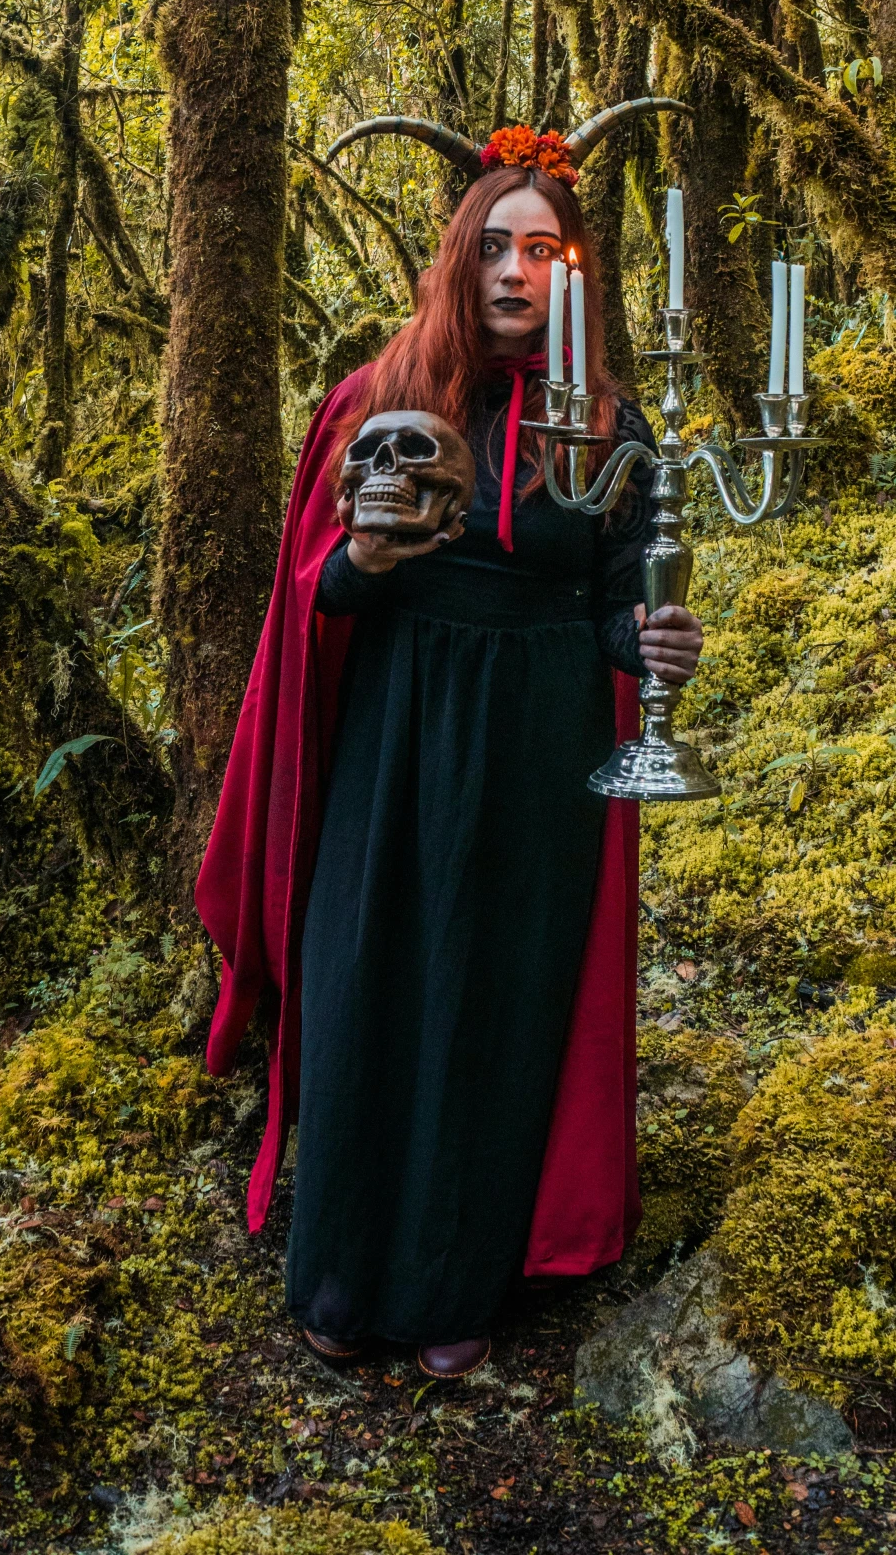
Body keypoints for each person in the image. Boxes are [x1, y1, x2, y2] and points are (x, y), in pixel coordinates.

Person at [195, 115, 704, 1384]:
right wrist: (361, 560)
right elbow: (308, 601)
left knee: (497, 996)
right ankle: (341, 1272)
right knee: (366, 972)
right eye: (495, 248)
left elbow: (608, 609)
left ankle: (454, 1281)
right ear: (460, 261)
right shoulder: (377, 400)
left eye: (544, 252)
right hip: (394, 733)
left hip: (540, 747)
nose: (516, 274)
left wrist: (653, 649)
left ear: (576, 274)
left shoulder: (615, 431)